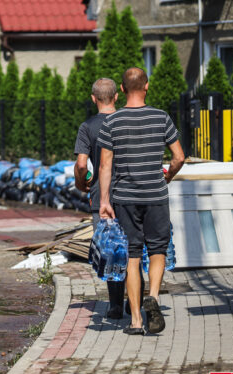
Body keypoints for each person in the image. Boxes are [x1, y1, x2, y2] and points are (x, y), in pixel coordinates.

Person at [98, 67, 185, 335]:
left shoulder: (111, 122)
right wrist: (167, 176)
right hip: (155, 195)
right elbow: (179, 156)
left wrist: (104, 200)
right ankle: (154, 298)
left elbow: (104, 165)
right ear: (146, 87)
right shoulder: (161, 118)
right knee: (157, 250)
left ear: (121, 90)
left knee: (132, 256)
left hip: (125, 199)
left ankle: (135, 321)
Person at [74, 78, 140, 320]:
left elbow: (82, 164)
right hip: (130, 193)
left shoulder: (87, 126)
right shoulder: (126, 121)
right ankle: (135, 304)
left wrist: (82, 182)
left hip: (101, 197)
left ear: (93, 99)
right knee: (133, 248)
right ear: (116, 96)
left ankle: (114, 305)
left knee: (110, 251)